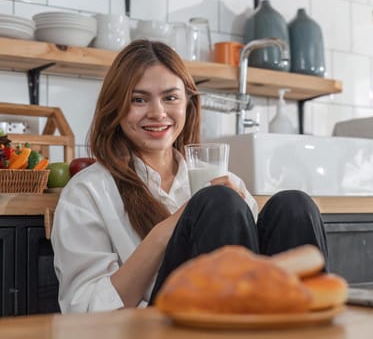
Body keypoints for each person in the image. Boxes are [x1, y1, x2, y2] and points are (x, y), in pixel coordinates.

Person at [51, 39, 328, 313]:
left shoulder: (226, 182)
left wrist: (240, 209)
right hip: (159, 327)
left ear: (188, 105)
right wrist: (166, 230)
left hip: (253, 315)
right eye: (138, 99)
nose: (158, 113)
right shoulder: (88, 192)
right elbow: (84, 309)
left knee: (295, 206)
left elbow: (258, 274)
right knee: (218, 202)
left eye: (170, 98)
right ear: (116, 108)